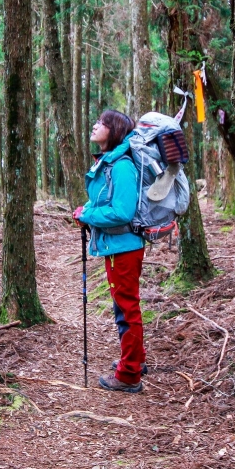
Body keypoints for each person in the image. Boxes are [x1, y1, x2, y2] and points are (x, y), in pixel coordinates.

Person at [73, 109, 147, 393]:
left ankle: (129, 375)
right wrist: (86, 210)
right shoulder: (109, 163)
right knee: (124, 307)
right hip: (117, 247)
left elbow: (122, 211)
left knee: (126, 309)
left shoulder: (122, 167)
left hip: (124, 248)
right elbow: (104, 201)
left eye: (102, 123)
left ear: (114, 131)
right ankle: (136, 361)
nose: (95, 125)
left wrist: (89, 216)